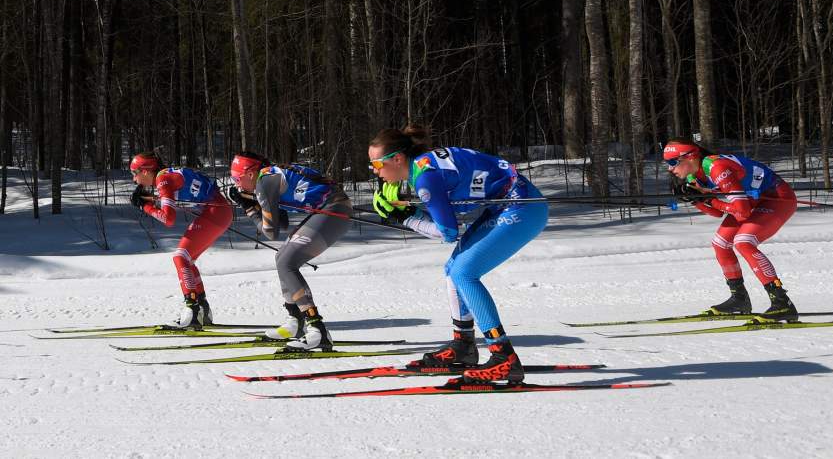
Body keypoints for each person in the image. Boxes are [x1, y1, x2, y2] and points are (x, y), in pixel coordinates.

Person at [367, 126, 548, 384]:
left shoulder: (424, 177)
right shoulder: (422, 167)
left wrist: (407, 219)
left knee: (465, 273)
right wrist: (410, 211)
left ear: (397, 159)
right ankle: (463, 345)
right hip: (508, 203)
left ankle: (503, 357)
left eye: (376, 163)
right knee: (454, 270)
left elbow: (449, 232)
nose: (374, 170)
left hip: (522, 207)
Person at [664, 137, 799, 322]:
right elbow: (716, 213)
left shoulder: (717, 168)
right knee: (720, 242)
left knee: (744, 241)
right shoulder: (692, 176)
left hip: (777, 198)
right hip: (753, 201)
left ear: (691, 157)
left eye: (673, 162)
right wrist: (695, 200)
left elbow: (742, 212)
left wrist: (709, 199)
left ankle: (782, 302)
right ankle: (739, 299)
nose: (670, 168)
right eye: (667, 163)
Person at [229, 151, 352, 351]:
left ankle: (317, 328)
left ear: (250, 174)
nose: (236, 184)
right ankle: (296, 321)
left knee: (287, 261)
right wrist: (252, 200)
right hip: (331, 206)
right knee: (282, 257)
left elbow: (270, 232)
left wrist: (248, 207)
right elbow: (283, 222)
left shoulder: (264, 182)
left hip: (334, 209)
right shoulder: (269, 176)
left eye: (237, 178)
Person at [129, 151, 232, 328]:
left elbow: (168, 219)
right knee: (187, 260)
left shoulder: (163, 180)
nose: (134, 180)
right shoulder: (166, 176)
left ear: (145, 171)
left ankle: (192, 310)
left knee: (180, 257)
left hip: (215, 213)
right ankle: (202, 310)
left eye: (134, 173)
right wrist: (149, 200)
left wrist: (144, 206)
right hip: (219, 211)